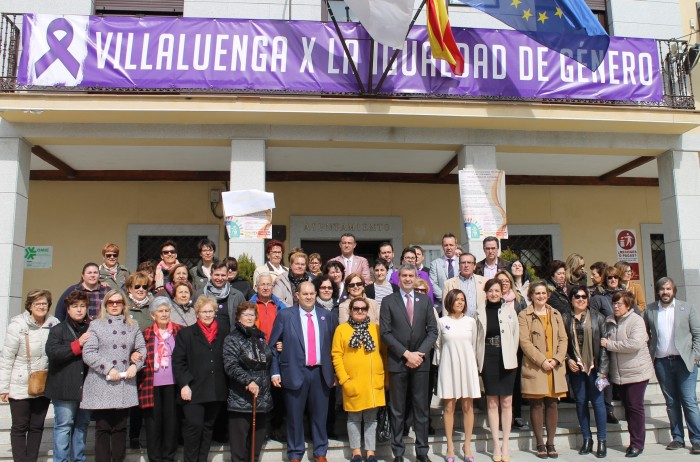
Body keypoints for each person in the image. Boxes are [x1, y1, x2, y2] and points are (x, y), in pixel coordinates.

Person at [269, 281, 339, 462]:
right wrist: (275, 372)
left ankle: (320, 452)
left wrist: (334, 373)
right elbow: (272, 346)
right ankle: (295, 453)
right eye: (305, 294)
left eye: (311, 294)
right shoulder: (285, 315)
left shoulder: (327, 316)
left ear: (316, 295)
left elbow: (334, 347)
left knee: (320, 416)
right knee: (294, 416)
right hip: (293, 372)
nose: (309, 297)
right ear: (297, 295)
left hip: (320, 373)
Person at [380, 264, 438, 462]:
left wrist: (418, 354)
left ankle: (422, 451)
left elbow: (433, 331)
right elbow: (385, 333)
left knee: (421, 409)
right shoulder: (388, 301)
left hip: (421, 363)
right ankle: (398, 452)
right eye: (403, 275)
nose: (407, 279)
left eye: (410, 275)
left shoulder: (425, 301)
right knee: (397, 410)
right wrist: (406, 354)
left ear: (415, 277)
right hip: (398, 362)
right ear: (398, 278)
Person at [80, 289, 147, 462]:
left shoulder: (133, 325)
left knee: (120, 427)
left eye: (119, 302)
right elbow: (88, 352)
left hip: (125, 380)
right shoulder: (96, 325)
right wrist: (108, 368)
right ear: (105, 305)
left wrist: (136, 365)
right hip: (103, 380)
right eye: (111, 302)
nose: (115, 305)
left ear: (124, 304)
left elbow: (141, 349)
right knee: (103, 427)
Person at [0, 289, 58, 462]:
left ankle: (31, 459)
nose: (41, 306)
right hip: (20, 382)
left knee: (37, 426)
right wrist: (3, 387)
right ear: (30, 306)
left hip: (43, 381)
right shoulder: (17, 325)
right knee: (20, 426)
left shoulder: (54, 324)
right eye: (37, 303)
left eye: (44, 303)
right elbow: (7, 358)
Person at [644, 277, 700, 453]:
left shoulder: (686, 308)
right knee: (671, 402)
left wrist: (696, 355)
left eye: (668, 289)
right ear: (658, 291)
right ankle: (677, 438)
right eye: (662, 289)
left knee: (689, 401)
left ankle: (697, 439)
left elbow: (698, 334)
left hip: (684, 362)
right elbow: (645, 334)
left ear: (673, 290)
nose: (665, 292)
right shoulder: (651, 309)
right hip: (662, 362)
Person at [173, 295, 228, 462]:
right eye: (204, 312)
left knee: (208, 428)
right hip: (193, 389)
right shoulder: (186, 334)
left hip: (215, 389)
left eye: (211, 311)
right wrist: (184, 384)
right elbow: (178, 361)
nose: (207, 315)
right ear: (197, 313)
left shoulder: (223, 333)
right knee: (194, 427)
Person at [518, 280, 568, 459]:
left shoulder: (555, 314)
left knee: (553, 404)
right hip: (535, 366)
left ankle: (551, 442)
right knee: (537, 404)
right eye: (537, 293)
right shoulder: (524, 315)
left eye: (543, 293)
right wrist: (542, 361)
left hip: (554, 366)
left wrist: (556, 359)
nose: (540, 296)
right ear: (531, 295)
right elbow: (524, 342)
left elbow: (564, 339)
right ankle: (540, 442)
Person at [332, 297, 386, 462]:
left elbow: (384, 353)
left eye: (363, 308)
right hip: (352, 382)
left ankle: (370, 453)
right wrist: (344, 380)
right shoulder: (342, 330)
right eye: (356, 308)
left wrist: (386, 378)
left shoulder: (376, 329)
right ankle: (356, 452)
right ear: (350, 311)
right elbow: (336, 356)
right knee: (354, 419)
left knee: (371, 419)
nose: (360, 311)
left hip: (373, 382)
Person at [602, 291, 653, 458]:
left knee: (635, 408)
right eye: (614, 303)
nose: (616, 306)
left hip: (637, 372)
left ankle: (637, 444)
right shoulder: (609, 320)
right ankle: (635, 441)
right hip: (619, 373)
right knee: (628, 408)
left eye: (620, 304)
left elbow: (634, 344)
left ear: (629, 306)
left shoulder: (636, 321)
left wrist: (610, 344)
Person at [223, 301, 273, 462]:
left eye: (252, 314)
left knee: (255, 449)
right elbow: (230, 365)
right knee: (239, 451)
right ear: (238, 317)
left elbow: (268, 362)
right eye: (246, 314)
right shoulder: (232, 338)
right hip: (241, 398)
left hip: (262, 398)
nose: (249, 317)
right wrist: (248, 381)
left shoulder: (260, 337)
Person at [45, 290, 92, 462]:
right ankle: (61, 460)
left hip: (86, 386)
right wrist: (78, 344)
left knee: (82, 426)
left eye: (82, 306)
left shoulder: (91, 328)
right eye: (75, 306)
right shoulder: (58, 330)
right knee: (64, 426)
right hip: (64, 386)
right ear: (68, 309)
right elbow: (53, 353)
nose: (79, 310)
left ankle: (79, 459)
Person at [563, 286, 609, 458]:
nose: (581, 299)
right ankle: (587, 439)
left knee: (598, 404)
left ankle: (602, 441)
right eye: (577, 296)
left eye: (584, 296)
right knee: (581, 402)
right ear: (571, 299)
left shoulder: (598, 318)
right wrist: (568, 360)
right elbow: (562, 343)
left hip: (595, 368)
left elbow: (604, 347)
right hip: (577, 369)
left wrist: (603, 370)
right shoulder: (565, 318)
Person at [435, 289, 481, 462]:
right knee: (449, 408)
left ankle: (467, 445)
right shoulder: (441, 322)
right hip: (448, 367)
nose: (460, 302)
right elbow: (438, 346)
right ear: (450, 302)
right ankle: (450, 447)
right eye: (457, 300)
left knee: (468, 407)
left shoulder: (471, 322)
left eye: (463, 300)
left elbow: (474, 345)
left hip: (467, 367)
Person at [477, 279, 519, 462]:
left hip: (507, 359)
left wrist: (510, 354)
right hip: (488, 358)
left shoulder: (510, 311)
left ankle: (506, 445)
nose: (494, 293)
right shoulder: (479, 312)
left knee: (507, 401)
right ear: (486, 293)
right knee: (492, 401)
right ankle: (495, 444)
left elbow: (515, 336)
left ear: (502, 292)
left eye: (497, 290)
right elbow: (476, 338)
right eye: (490, 291)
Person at [137, 296, 183, 462]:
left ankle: (169, 457)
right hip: (151, 384)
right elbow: (138, 355)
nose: (164, 314)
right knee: (153, 425)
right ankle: (155, 458)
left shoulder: (180, 331)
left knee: (171, 424)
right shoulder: (145, 334)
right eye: (160, 311)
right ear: (152, 315)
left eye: (166, 310)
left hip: (173, 384)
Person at [590, 265, 627, 425]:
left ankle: (627, 404)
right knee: (606, 377)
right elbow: (592, 318)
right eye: (609, 278)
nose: (613, 280)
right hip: (605, 341)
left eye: (615, 277)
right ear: (604, 280)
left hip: (623, 342)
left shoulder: (626, 295)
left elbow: (637, 315)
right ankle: (608, 409)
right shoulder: (599, 297)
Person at [495, 270, 529, 431]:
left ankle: (517, 414)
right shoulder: (493, 299)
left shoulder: (519, 300)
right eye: (500, 281)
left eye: (506, 280)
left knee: (515, 382)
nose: (503, 283)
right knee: (500, 382)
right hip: (497, 348)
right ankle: (502, 416)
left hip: (516, 347)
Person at [195, 261, 246, 333]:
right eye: (217, 275)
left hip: (229, 341)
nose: (220, 278)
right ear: (211, 275)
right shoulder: (200, 294)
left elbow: (244, 318)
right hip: (204, 339)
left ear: (227, 276)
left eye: (223, 275)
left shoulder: (237, 295)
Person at [443, 253, 487, 318]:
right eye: (463, 263)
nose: (466, 265)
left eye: (469, 262)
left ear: (474, 266)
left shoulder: (484, 282)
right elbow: (445, 309)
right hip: (458, 322)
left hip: (480, 322)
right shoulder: (448, 284)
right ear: (459, 265)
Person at [251, 272, 287, 341]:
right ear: (256, 287)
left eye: (268, 284)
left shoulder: (281, 307)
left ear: (273, 287)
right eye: (262, 284)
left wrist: (283, 342)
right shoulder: (249, 307)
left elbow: (287, 330)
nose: (266, 288)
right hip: (256, 347)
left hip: (275, 348)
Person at [429, 233, 458, 305]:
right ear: (442, 247)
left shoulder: (462, 263)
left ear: (456, 246)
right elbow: (433, 284)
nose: (448, 248)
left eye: (451, 245)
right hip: (442, 304)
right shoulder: (435, 264)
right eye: (446, 245)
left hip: (460, 303)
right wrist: (446, 299)